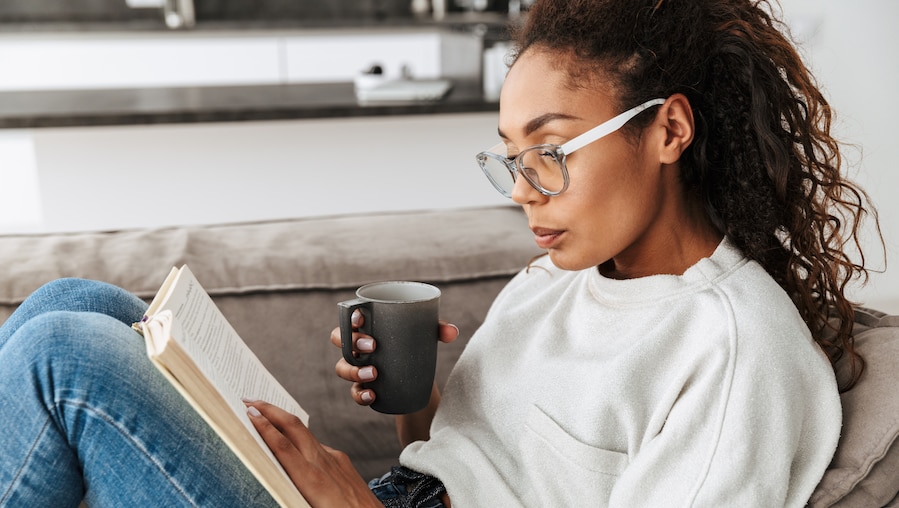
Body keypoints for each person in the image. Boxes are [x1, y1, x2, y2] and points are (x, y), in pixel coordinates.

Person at [0, 0, 882, 506]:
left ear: (668, 130)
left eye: (551, 150)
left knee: (61, 358)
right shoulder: (556, 280)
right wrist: (415, 406)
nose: (523, 190)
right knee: (73, 303)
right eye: (510, 156)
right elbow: (465, 467)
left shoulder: (735, 352)